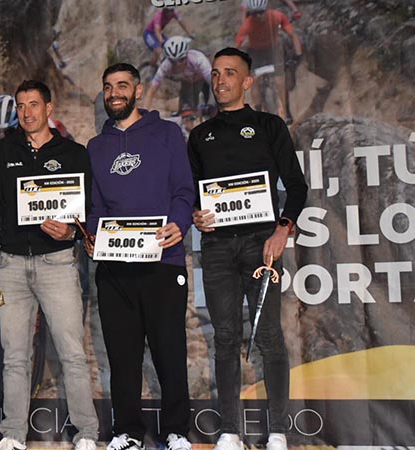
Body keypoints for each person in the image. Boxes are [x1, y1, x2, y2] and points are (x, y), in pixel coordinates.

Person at [187, 47, 307, 450]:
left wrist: (283, 229)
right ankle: (229, 432)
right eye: (215, 73)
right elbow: (193, 194)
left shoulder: (269, 126)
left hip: (262, 246)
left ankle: (278, 432)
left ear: (247, 81)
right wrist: (196, 215)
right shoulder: (199, 135)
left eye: (230, 73)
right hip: (217, 248)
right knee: (224, 337)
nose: (220, 81)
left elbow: (297, 186)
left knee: (269, 336)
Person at [0, 80, 99, 450]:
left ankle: (87, 433)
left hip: (57, 263)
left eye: (33, 104)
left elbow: (87, 208)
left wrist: (72, 232)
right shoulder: (4, 151)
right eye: (21, 105)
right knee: (14, 357)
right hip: (11, 265)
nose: (27, 112)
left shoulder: (73, 153)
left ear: (49, 108)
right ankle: (13, 434)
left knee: (72, 353)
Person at [84, 63, 195, 450]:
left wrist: (180, 223)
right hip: (115, 269)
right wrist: (92, 236)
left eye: (122, 85)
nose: (114, 93)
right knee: (122, 356)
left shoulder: (167, 134)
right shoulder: (96, 147)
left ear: (138, 91)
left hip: (163, 262)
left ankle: (176, 431)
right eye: (108, 87)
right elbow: (95, 206)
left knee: (170, 352)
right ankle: (127, 432)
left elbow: (184, 190)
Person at [235, 0, 303, 123]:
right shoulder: (247, 25)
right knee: (255, 81)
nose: (258, 16)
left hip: (273, 49)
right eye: (254, 14)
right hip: (255, 52)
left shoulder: (277, 16)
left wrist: (298, 54)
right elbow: (238, 47)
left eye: (260, 12)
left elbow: (292, 35)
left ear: (266, 10)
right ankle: (258, 112)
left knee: (280, 80)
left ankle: (286, 111)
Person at [144, 36, 212, 116]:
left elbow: (213, 83)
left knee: (212, 110)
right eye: (173, 61)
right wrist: (144, 114)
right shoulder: (166, 66)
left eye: (181, 59)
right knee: (187, 115)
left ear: (186, 55)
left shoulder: (198, 59)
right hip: (187, 84)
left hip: (204, 81)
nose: (178, 64)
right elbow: (152, 90)